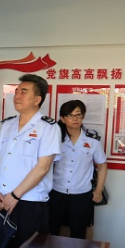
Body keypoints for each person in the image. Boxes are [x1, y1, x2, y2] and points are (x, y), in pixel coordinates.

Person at [0, 74, 60, 248]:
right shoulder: (7, 124)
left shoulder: (48, 127)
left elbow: (43, 167)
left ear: (37, 99)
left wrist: (15, 195)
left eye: (23, 92)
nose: (17, 95)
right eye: (16, 91)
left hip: (29, 203)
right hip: (2, 200)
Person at [49, 100, 108, 239]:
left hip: (81, 194)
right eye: (70, 115)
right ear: (63, 118)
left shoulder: (92, 139)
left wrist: (98, 190)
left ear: (83, 116)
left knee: (79, 233)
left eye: (78, 115)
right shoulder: (55, 139)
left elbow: (102, 165)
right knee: (52, 230)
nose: (75, 118)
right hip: (57, 192)